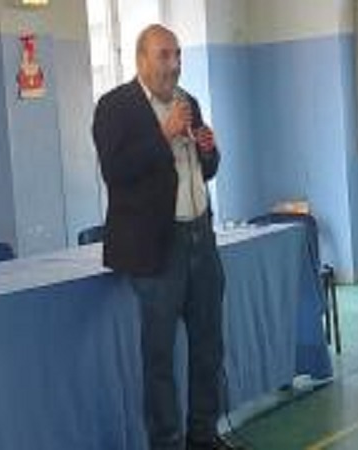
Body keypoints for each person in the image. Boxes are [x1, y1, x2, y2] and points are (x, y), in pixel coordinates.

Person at [93, 25, 240, 450]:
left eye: (177, 55)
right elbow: (116, 170)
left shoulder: (187, 101)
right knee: (159, 355)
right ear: (140, 59)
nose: (174, 65)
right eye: (164, 55)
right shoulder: (115, 106)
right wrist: (164, 134)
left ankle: (203, 434)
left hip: (200, 237)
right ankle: (166, 442)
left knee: (208, 345)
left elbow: (204, 170)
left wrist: (208, 150)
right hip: (157, 246)